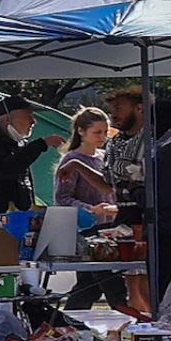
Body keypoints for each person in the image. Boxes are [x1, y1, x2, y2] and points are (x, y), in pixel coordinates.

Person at [56, 106, 130, 311]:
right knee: (110, 282)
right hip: (86, 231)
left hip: (108, 229)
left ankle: (67, 321)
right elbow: (62, 198)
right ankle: (128, 321)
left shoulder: (103, 157)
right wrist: (91, 209)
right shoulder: (71, 160)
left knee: (90, 285)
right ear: (81, 131)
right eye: (97, 132)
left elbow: (111, 189)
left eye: (105, 132)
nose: (102, 137)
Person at [0, 95, 63, 226]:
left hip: (9, 222)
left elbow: (20, 180)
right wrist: (41, 144)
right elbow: (4, 168)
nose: (33, 121)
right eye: (28, 116)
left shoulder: (15, 143)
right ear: (7, 118)